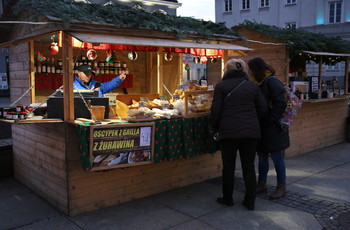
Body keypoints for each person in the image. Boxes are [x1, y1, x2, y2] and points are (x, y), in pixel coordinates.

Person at [209, 58, 267, 210]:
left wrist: (213, 128)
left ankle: (227, 198)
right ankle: (250, 201)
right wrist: (253, 122)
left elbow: (216, 111)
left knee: (228, 166)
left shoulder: (222, 86)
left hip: (228, 132)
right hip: (250, 133)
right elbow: (262, 109)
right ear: (243, 70)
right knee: (249, 167)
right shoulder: (253, 86)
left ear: (227, 70)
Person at [247, 57, 290, 199]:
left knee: (277, 158)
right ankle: (262, 183)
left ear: (256, 69)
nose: (249, 72)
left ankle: (281, 186)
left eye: (250, 69)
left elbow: (281, 103)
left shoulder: (271, 81)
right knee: (262, 157)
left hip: (273, 127)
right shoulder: (258, 82)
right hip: (262, 126)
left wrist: (270, 120)